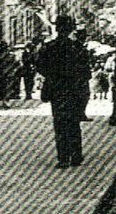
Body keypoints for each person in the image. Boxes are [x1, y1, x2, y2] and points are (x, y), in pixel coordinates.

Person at [37, 16, 89, 167]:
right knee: (74, 122)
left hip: (57, 90)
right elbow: (86, 72)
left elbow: (40, 66)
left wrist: (54, 75)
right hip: (74, 90)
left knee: (60, 123)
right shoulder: (78, 48)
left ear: (57, 28)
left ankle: (63, 157)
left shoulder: (49, 47)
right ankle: (76, 155)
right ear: (71, 29)